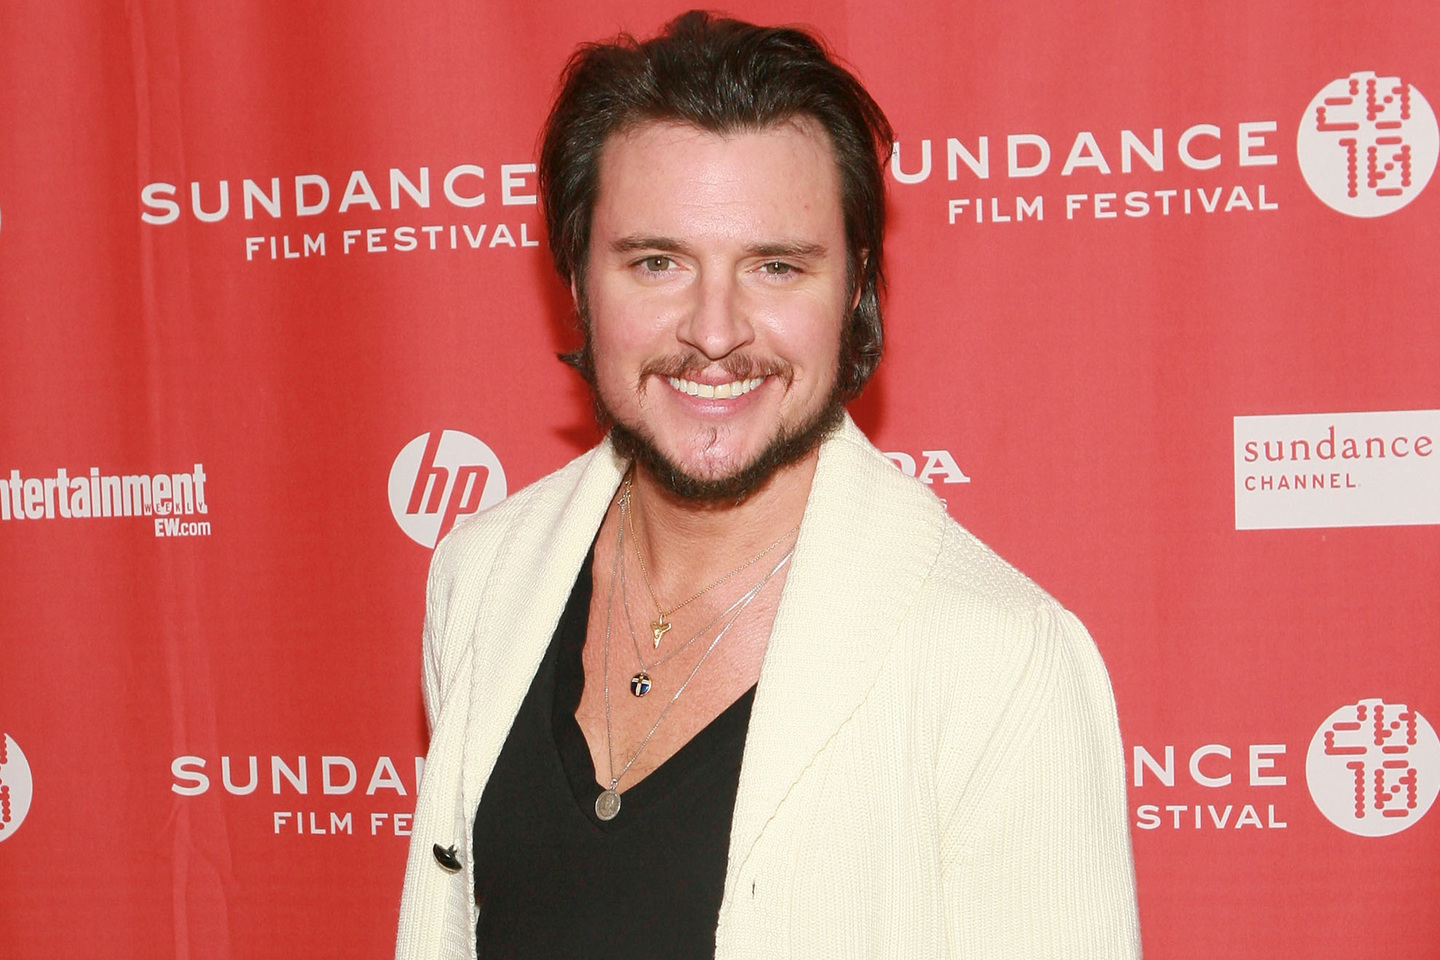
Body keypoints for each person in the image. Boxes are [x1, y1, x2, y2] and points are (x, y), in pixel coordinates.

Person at [397, 11, 1140, 959]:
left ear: (855, 288)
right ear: (579, 280)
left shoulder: (999, 659)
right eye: (657, 262)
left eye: (776, 267)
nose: (715, 331)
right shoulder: (481, 577)